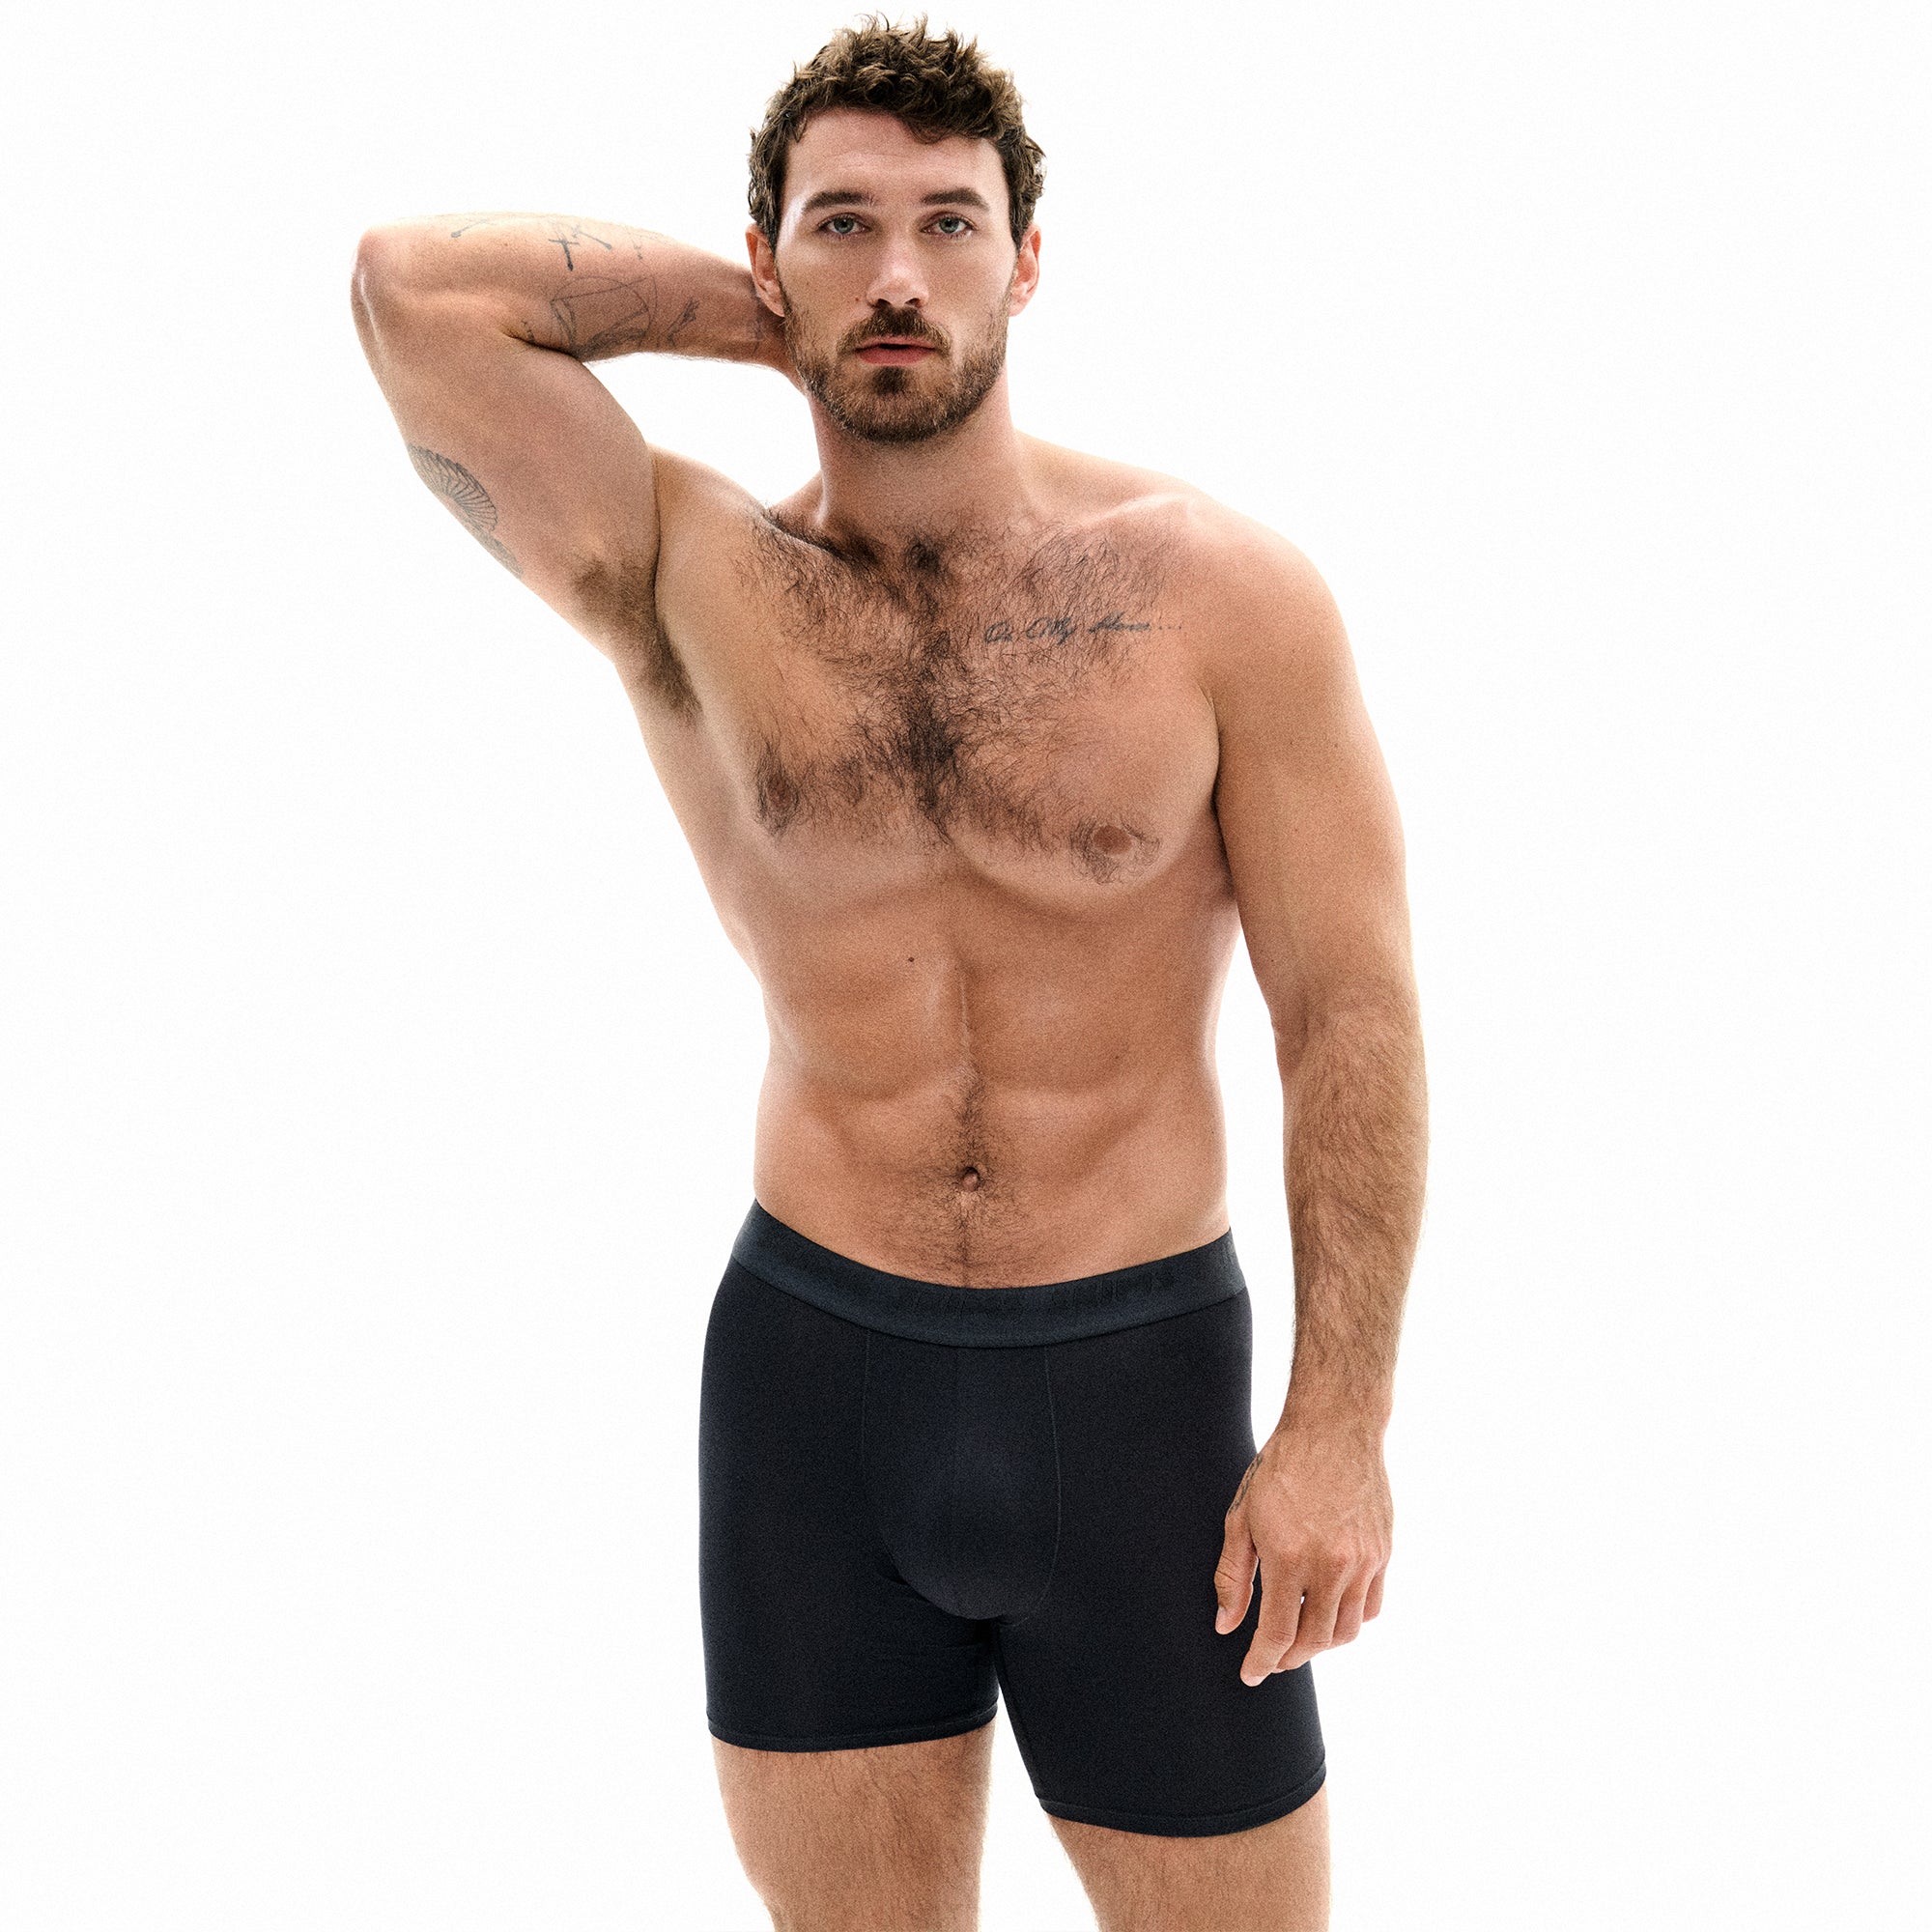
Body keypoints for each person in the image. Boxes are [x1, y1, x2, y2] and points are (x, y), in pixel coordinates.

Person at [352, 18, 1426, 1931]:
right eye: (844, 225)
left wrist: (1338, 1422)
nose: (902, 274)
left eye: (951, 224)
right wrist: (776, 317)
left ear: (1030, 261)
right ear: (770, 264)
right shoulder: (688, 575)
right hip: (815, 1387)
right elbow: (411, 292)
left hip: (1139, 1395)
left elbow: (1347, 1009)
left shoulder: (1221, 598)